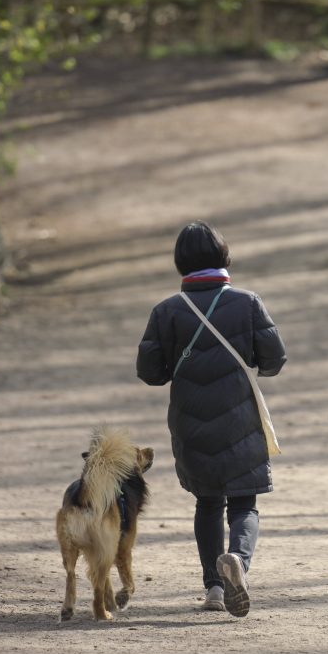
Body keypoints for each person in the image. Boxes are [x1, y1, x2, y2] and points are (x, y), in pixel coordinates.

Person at [136, 221, 287, 618]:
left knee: (207, 503)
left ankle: (215, 590)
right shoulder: (247, 302)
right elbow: (274, 359)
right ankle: (237, 557)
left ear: (179, 263)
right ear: (224, 257)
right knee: (244, 503)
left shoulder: (166, 311)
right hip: (241, 419)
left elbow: (150, 372)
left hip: (191, 422)